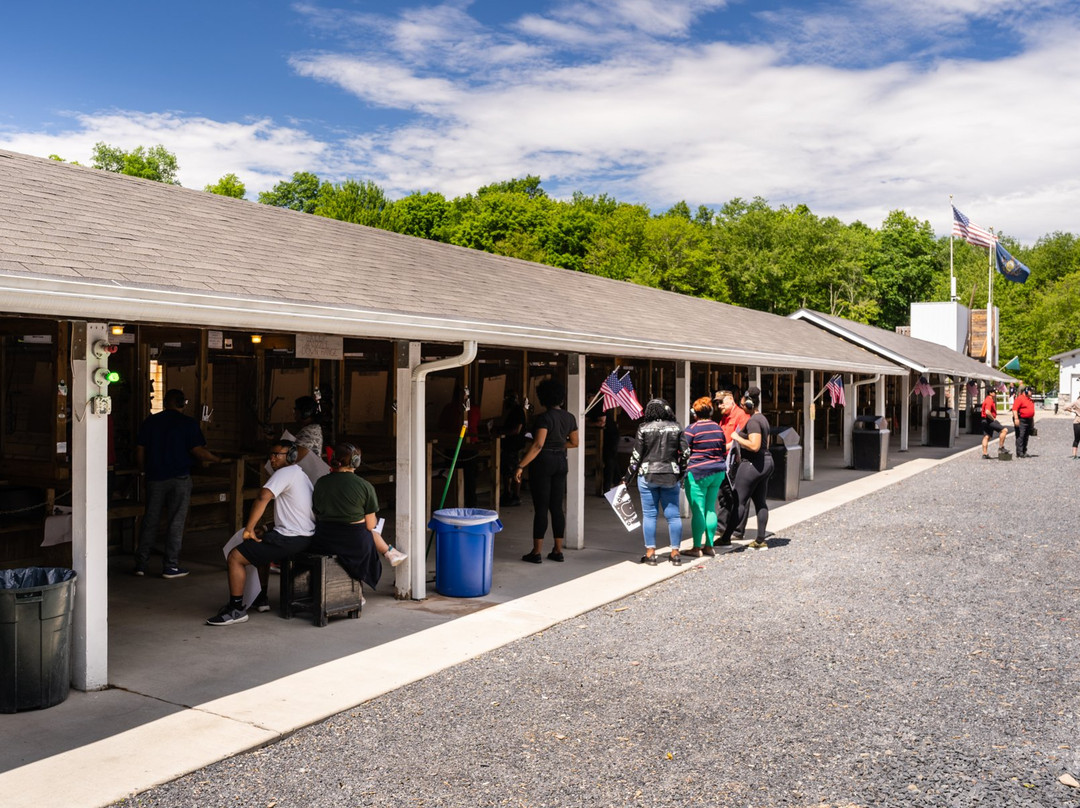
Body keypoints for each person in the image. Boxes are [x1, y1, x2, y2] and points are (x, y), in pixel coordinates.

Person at [206, 440, 314, 626]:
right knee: (260, 544)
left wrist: (249, 529)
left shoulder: (285, 472)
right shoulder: (300, 475)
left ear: (291, 456)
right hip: (302, 536)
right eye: (270, 454)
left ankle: (236, 609)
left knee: (235, 557)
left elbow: (263, 496)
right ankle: (261, 598)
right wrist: (265, 528)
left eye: (276, 455)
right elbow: (294, 514)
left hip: (291, 538)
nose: (272, 458)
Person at [134, 388, 221, 578]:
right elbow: (198, 451)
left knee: (150, 519)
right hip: (180, 478)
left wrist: (142, 472)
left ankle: (141, 564)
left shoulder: (151, 422)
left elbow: (140, 450)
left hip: (155, 477)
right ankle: (170, 566)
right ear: (182, 403)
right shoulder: (188, 424)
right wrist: (217, 459)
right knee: (176, 521)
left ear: (166, 402)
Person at [514, 378, 579, 563]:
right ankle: (557, 551)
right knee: (557, 507)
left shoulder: (544, 418)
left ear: (544, 397)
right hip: (560, 460)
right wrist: (558, 445)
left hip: (543, 463)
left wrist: (521, 465)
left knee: (541, 507)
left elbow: (538, 445)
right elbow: (575, 443)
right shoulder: (570, 417)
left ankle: (536, 552)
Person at [307, 442, 386, 592]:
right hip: (354, 544)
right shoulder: (365, 486)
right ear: (356, 461)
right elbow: (370, 525)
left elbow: (317, 512)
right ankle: (356, 590)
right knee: (368, 536)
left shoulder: (321, 483)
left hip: (324, 540)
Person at [623, 398, 689, 566]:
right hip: (670, 474)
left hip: (647, 475)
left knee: (650, 515)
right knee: (673, 516)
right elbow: (686, 452)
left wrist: (627, 477)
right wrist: (680, 472)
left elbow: (636, 456)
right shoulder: (676, 427)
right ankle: (675, 553)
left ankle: (651, 553)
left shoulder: (643, 428)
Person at [719, 389, 773, 550]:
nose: (742, 408)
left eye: (743, 405)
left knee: (739, 501)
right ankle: (760, 540)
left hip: (752, 464)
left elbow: (755, 446)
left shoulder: (754, 421)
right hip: (765, 462)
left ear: (750, 404)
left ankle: (726, 537)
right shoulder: (762, 419)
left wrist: (737, 438)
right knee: (760, 501)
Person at [681, 397, 727, 558]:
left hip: (698, 473)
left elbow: (683, 452)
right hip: (718, 472)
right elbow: (723, 451)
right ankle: (709, 545)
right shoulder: (718, 428)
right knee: (710, 509)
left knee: (698, 511)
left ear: (694, 413)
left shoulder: (691, 429)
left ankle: (696, 547)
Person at [714, 390, 749, 544]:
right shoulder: (724, 417)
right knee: (723, 494)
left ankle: (737, 529)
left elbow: (740, 440)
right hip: (725, 460)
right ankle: (722, 525)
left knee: (739, 496)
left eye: (722, 402)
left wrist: (722, 449)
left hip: (737, 460)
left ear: (730, 399)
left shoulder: (741, 416)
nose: (719, 405)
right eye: (717, 403)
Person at [498, 391, 527, 505]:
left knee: (515, 471)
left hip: (515, 446)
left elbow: (516, 430)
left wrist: (503, 431)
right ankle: (507, 494)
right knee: (507, 471)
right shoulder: (513, 412)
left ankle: (515, 496)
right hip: (510, 446)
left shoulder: (518, 411)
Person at [292, 395, 324, 462]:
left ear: (305, 412)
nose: (294, 413)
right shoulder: (314, 428)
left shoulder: (309, 432)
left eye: (296, 410)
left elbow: (294, 458)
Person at [981, 388, 1009, 459]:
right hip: (989, 420)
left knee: (986, 436)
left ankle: (985, 454)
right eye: (994, 392)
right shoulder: (989, 400)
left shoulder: (987, 400)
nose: (995, 393)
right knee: (1004, 430)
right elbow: (987, 411)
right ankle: (1001, 447)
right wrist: (993, 419)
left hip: (984, 420)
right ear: (990, 393)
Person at [1011, 386, 1036, 457]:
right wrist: (1016, 419)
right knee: (1021, 436)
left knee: (1026, 436)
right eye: (1031, 391)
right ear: (1026, 391)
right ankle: (1019, 452)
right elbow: (1014, 409)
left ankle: (1024, 451)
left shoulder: (1030, 400)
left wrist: (1032, 423)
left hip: (1029, 419)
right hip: (1021, 419)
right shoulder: (1020, 399)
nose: (1032, 393)